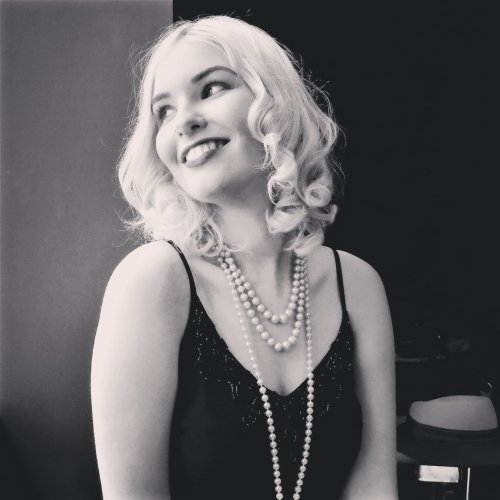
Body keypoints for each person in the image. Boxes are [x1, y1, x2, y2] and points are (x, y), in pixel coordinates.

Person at [91, 15, 397, 500]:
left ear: (274, 99)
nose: (184, 121)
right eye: (163, 111)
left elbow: (375, 483)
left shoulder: (357, 284)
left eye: (211, 88)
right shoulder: (153, 280)